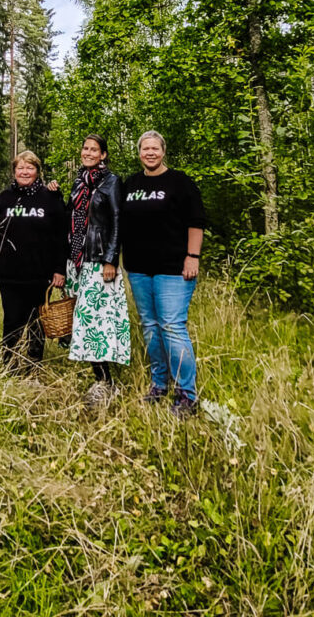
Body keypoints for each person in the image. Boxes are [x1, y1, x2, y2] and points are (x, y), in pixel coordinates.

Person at [0, 150, 67, 372]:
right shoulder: (5, 198)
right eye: (20, 168)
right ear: (14, 171)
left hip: (40, 273)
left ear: (38, 171)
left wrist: (59, 269)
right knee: (12, 320)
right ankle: (9, 362)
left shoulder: (50, 198)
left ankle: (34, 364)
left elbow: (61, 236)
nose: (25, 172)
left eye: (30, 168)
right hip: (10, 273)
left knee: (37, 321)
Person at [121, 131, 206, 416]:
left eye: (155, 148)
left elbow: (196, 222)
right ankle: (159, 384)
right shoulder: (130, 184)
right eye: (145, 148)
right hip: (139, 268)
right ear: (139, 152)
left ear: (163, 151)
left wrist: (192, 256)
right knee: (150, 326)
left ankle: (186, 394)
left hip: (173, 269)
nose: (150, 153)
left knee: (172, 325)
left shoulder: (180, 183)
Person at [51, 134, 130, 407]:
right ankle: (100, 377)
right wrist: (55, 195)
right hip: (77, 261)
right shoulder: (78, 182)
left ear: (103, 155)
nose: (88, 152)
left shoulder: (112, 183)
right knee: (81, 321)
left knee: (95, 322)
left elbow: (118, 221)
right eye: (85, 148)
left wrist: (111, 259)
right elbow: (69, 217)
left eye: (94, 149)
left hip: (98, 262)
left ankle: (106, 382)